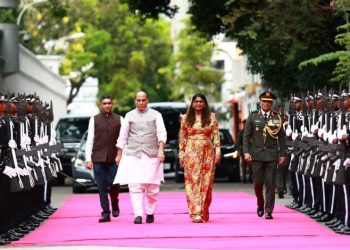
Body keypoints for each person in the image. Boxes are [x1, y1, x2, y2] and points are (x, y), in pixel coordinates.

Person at [114, 91, 167, 224]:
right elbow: (123, 136)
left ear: (147, 100)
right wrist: (119, 154)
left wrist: (160, 151)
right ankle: (138, 214)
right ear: (135, 101)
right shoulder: (129, 115)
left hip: (152, 155)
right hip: (133, 154)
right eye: (138, 100)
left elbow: (162, 134)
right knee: (135, 185)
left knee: (152, 186)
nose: (141, 103)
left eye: (143, 100)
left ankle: (149, 212)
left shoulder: (156, 115)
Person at [178, 93, 221, 223]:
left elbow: (216, 135)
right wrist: (181, 154)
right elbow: (182, 137)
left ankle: (204, 209)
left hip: (207, 152)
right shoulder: (185, 118)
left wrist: (218, 151)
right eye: (196, 101)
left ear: (205, 103)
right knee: (192, 182)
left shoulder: (211, 117)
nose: (198, 104)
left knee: (206, 182)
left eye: (201, 101)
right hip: (191, 152)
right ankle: (195, 212)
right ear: (192, 103)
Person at [243, 91, 286, 220]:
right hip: (256, 155)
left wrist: (283, 154)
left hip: (272, 155)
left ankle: (268, 210)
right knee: (258, 183)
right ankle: (260, 203)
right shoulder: (253, 116)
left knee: (270, 184)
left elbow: (282, 138)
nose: (266, 103)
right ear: (260, 102)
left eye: (269, 102)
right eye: (264, 101)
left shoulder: (277, 117)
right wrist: (246, 152)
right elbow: (246, 136)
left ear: (271, 103)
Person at [85, 95, 122, 223]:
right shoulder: (93, 120)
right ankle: (106, 213)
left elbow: (123, 141)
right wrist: (88, 159)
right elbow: (90, 140)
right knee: (101, 187)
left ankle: (115, 202)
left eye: (109, 103)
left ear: (113, 104)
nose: (107, 105)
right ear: (100, 105)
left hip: (114, 159)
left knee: (114, 185)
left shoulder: (119, 119)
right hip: (98, 158)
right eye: (104, 103)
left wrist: (121, 155)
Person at [236, 119, 252, 184]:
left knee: (251, 166)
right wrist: (239, 150)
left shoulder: (252, 132)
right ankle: (244, 179)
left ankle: (251, 178)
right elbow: (238, 143)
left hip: (251, 150)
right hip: (243, 150)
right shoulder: (241, 132)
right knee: (244, 165)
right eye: (245, 124)